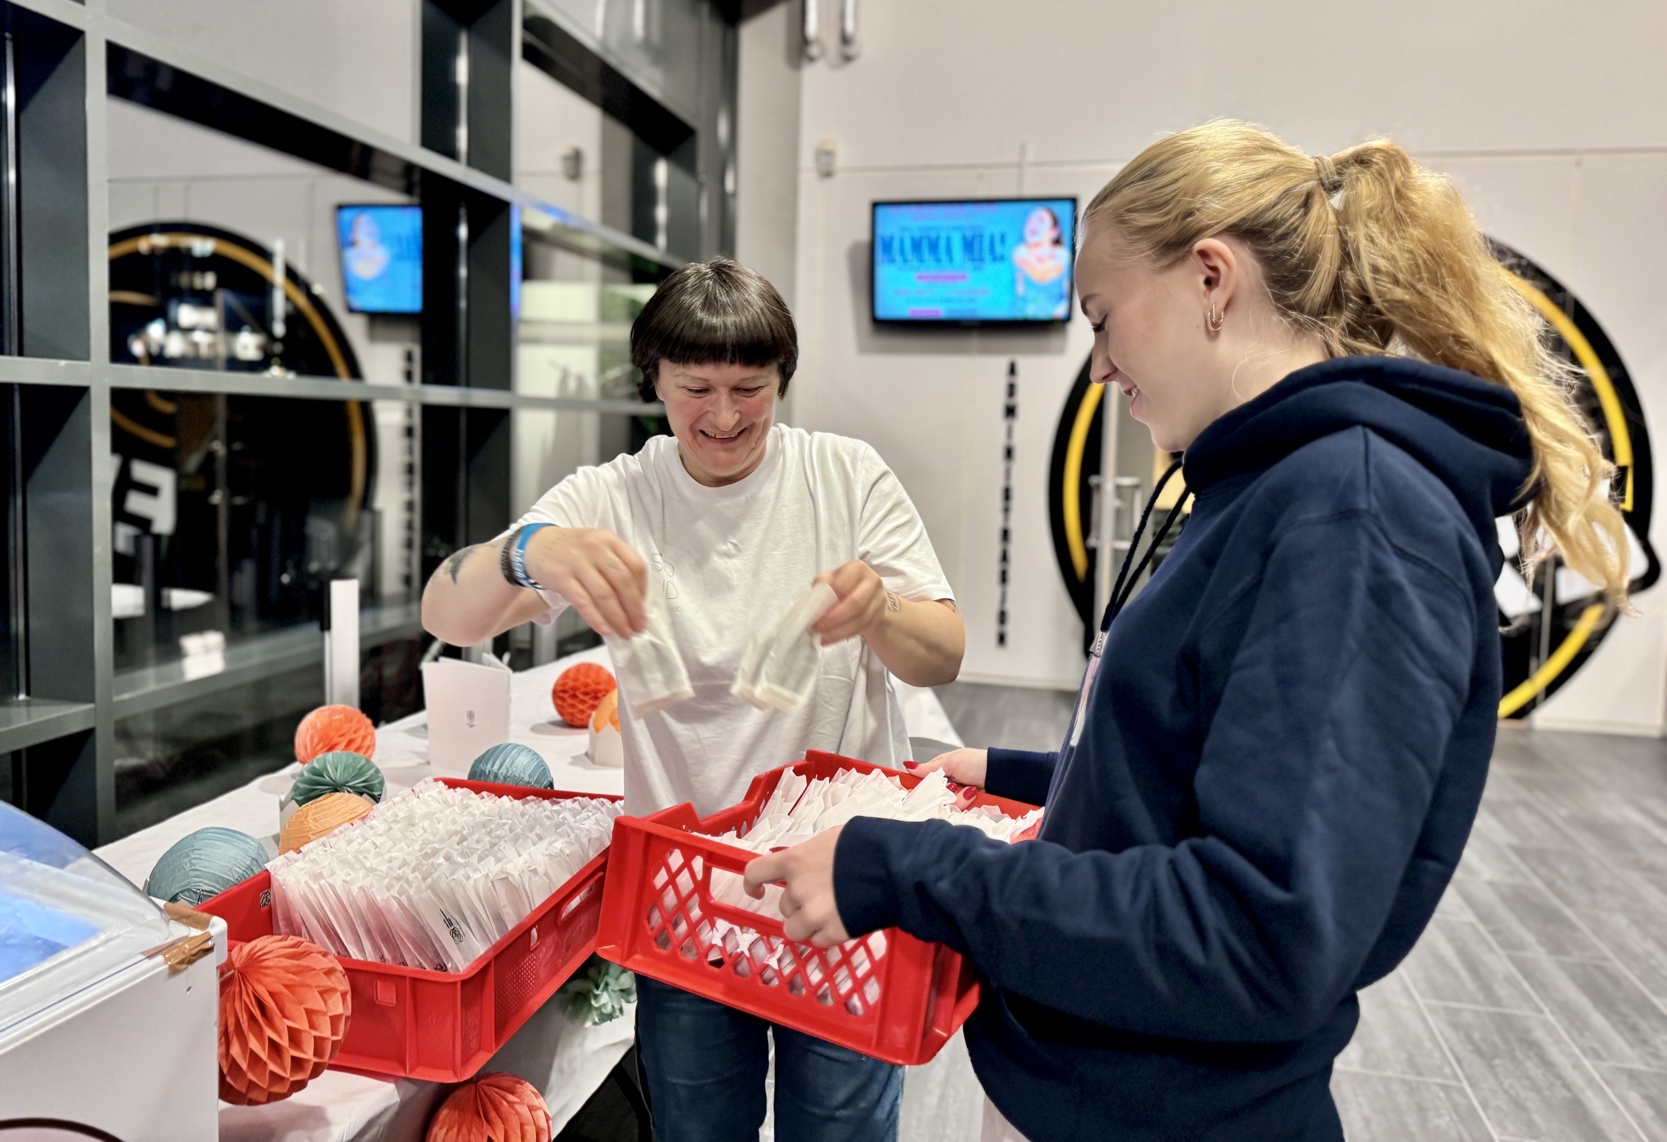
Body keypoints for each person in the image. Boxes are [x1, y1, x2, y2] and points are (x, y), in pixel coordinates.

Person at [743, 121, 1629, 1141]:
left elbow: (1256, 933)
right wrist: (1012, 772)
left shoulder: (1354, 511)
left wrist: (899, 866)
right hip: (1093, 1080)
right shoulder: (1273, 486)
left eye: (1103, 318)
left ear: (1211, 277)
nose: (1099, 368)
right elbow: (1200, 765)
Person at [421, 257, 964, 1142]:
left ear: (782, 379)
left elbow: (941, 656)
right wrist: (529, 554)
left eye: (749, 389)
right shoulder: (612, 495)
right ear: (654, 385)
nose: (722, 416)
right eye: (694, 389)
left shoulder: (843, 476)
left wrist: (881, 609)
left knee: (839, 1127)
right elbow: (444, 610)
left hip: (835, 881)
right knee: (695, 1125)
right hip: (684, 888)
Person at [1012, 205, 1069, 319]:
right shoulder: (1019, 252)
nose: (1033, 225)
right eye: (1030, 221)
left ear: (1054, 232)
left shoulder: (1063, 256)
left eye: (1040, 221)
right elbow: (1039, 276)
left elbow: (1066, 296)